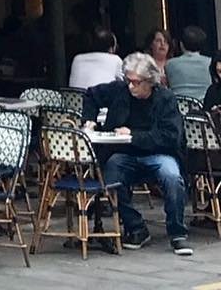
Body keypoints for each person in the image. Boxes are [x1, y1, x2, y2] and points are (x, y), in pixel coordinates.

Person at [81, 51, 189, 256]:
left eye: (136, 82)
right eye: (128, 80)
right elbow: (92, 94)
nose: (131, 86)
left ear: (150, 81)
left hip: (158, 152)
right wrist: (90, 119)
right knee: (110, 175)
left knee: (172, 177)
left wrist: (134, 135)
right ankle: (136, 226)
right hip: (125, 153)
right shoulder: (120, 91)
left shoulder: (166, 99)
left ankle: (177, 233)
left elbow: (169, 136)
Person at [164, 26, 211, 100]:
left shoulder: (170, 64)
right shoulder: (210, 63)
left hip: (178, 106)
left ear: (181, 44)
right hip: (204, 106)